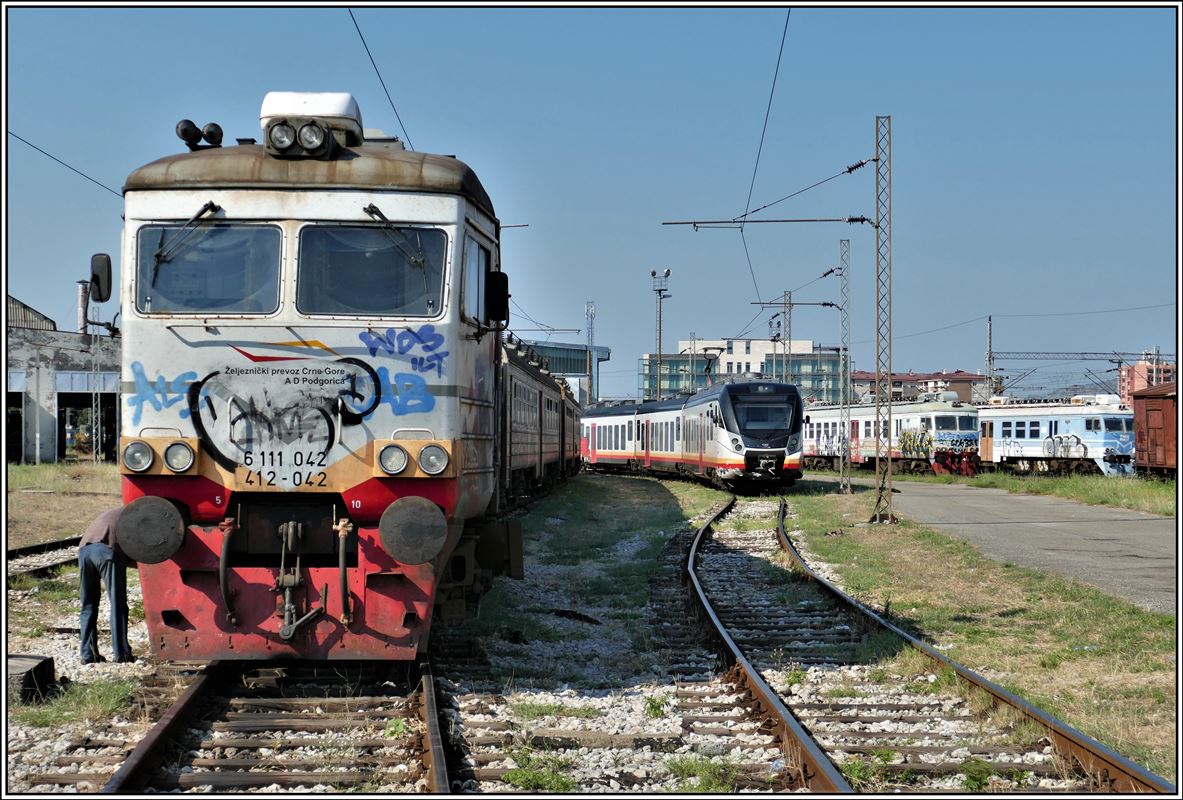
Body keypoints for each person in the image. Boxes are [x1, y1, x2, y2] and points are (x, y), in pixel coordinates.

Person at [78, 507, 134, 664]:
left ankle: (88, 654)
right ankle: (121, 654)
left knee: (88, 605)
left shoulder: (115, 512)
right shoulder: (136, 514)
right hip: (107, 551)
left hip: (84, 551)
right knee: (118, 604)